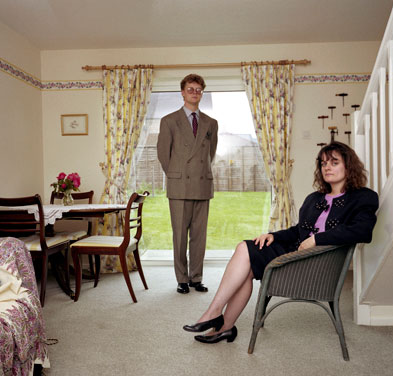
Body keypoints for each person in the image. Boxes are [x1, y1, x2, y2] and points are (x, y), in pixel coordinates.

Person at [183, 141, 379, 344]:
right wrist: (274, 236)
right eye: (323, 163)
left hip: (318, 266)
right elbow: (298, 231)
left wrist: (317, 239)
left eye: (334, 162)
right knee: (245, 251)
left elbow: (362, 231)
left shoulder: (364, 198)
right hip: (294, 253)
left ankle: (217, 318)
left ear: (349, 165)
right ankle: (223, 325)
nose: (327, 167)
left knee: (247, 262)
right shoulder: (315, 198)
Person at [157, 74, 218, 294]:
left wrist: (198, 171)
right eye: (190, 89)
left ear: (202, 93)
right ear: (182, 92)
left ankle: (196, 278)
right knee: (180, 235)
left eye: (198, 90)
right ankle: (182, 279)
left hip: (202, 184)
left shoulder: (211, 123)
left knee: (199, 236)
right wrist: (178, 174)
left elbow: (210, 153)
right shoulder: (169, 120)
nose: (194, 93)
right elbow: (164, 155)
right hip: (179, 185)